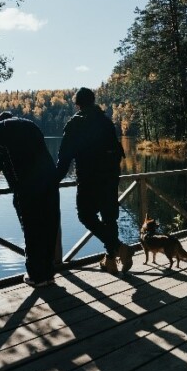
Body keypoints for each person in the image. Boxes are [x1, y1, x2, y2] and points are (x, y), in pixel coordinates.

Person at [0, 111, 61, 286]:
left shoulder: (1, 128)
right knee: (49, 225)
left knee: (32, 228)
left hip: (27, 186)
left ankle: (37, 277)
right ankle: (49, 274)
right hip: (50, 182)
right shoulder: (31, 125)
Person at [55, 87, 133, 273]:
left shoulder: (76, 123)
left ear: (77, 104)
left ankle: (118, 248)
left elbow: (65, 156)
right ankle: (111, 260)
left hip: (89, 178)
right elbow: (116, 151)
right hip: (111, 177)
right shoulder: (105, 121)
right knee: (109, 217)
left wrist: (54, 179)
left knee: (85, 215)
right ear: (93, 100)